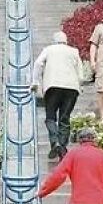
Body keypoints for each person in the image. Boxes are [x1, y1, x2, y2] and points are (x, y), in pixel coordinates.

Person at [32, 31, 85, 160]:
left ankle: (54, 141)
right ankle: (62, 145)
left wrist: (35, 82)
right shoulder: (74, 51)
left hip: (52, 86)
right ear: (66, 40)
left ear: (54, 40)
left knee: (50, 117)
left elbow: (38, 64)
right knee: (65, 118)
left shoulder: (49, 49)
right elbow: (81, 73)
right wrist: (80, 84)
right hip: (71, 87)